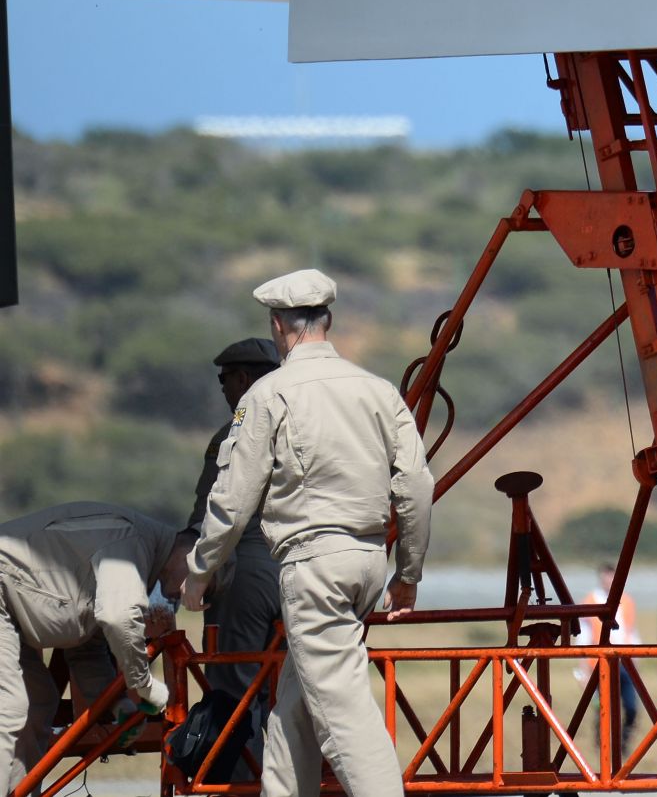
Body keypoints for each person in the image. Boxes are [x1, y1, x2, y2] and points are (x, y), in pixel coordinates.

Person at [183, 268, 433, 797]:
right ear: (329, 320)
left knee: (344, 718)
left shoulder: (270, 394)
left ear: (277, 325)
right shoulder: (379, 391)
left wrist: (199, 574)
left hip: (313, 566)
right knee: (294, 712)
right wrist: (406, 574)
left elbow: (231, 501)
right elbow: (414, 486)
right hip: (367, 562)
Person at [0, 502, 186, 792]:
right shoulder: (132, 540)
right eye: (204, 584)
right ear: (194, 554)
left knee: (37, 699)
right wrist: (145, 685)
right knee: (9, 708)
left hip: (8, 606)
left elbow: (86, 647)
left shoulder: (144, 555)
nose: (186, 597)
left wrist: (120, 704)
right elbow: (117, 616)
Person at [179, 337, 282, 775]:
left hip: (248, 567)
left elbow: (215, 509)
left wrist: (195, 568)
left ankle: (237, 782)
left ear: (243, 379)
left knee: (234, 686)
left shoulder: (238, 431)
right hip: (303, 567)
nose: (223, 389)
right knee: (298, 688)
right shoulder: (301, 424)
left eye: (225, 380)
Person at [576, 563, 642, 752]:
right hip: (600, 661)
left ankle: (623, 743)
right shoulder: (591, 601)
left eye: (613, 576)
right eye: (607, 576)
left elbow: (632, 630)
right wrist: (583, 668)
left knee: (631, 707)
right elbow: (583, 636)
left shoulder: (627, 601)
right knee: (603, 706)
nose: (610, 580)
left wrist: (636, 659)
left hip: (624, 661)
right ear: (601, 577)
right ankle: (602, 744)